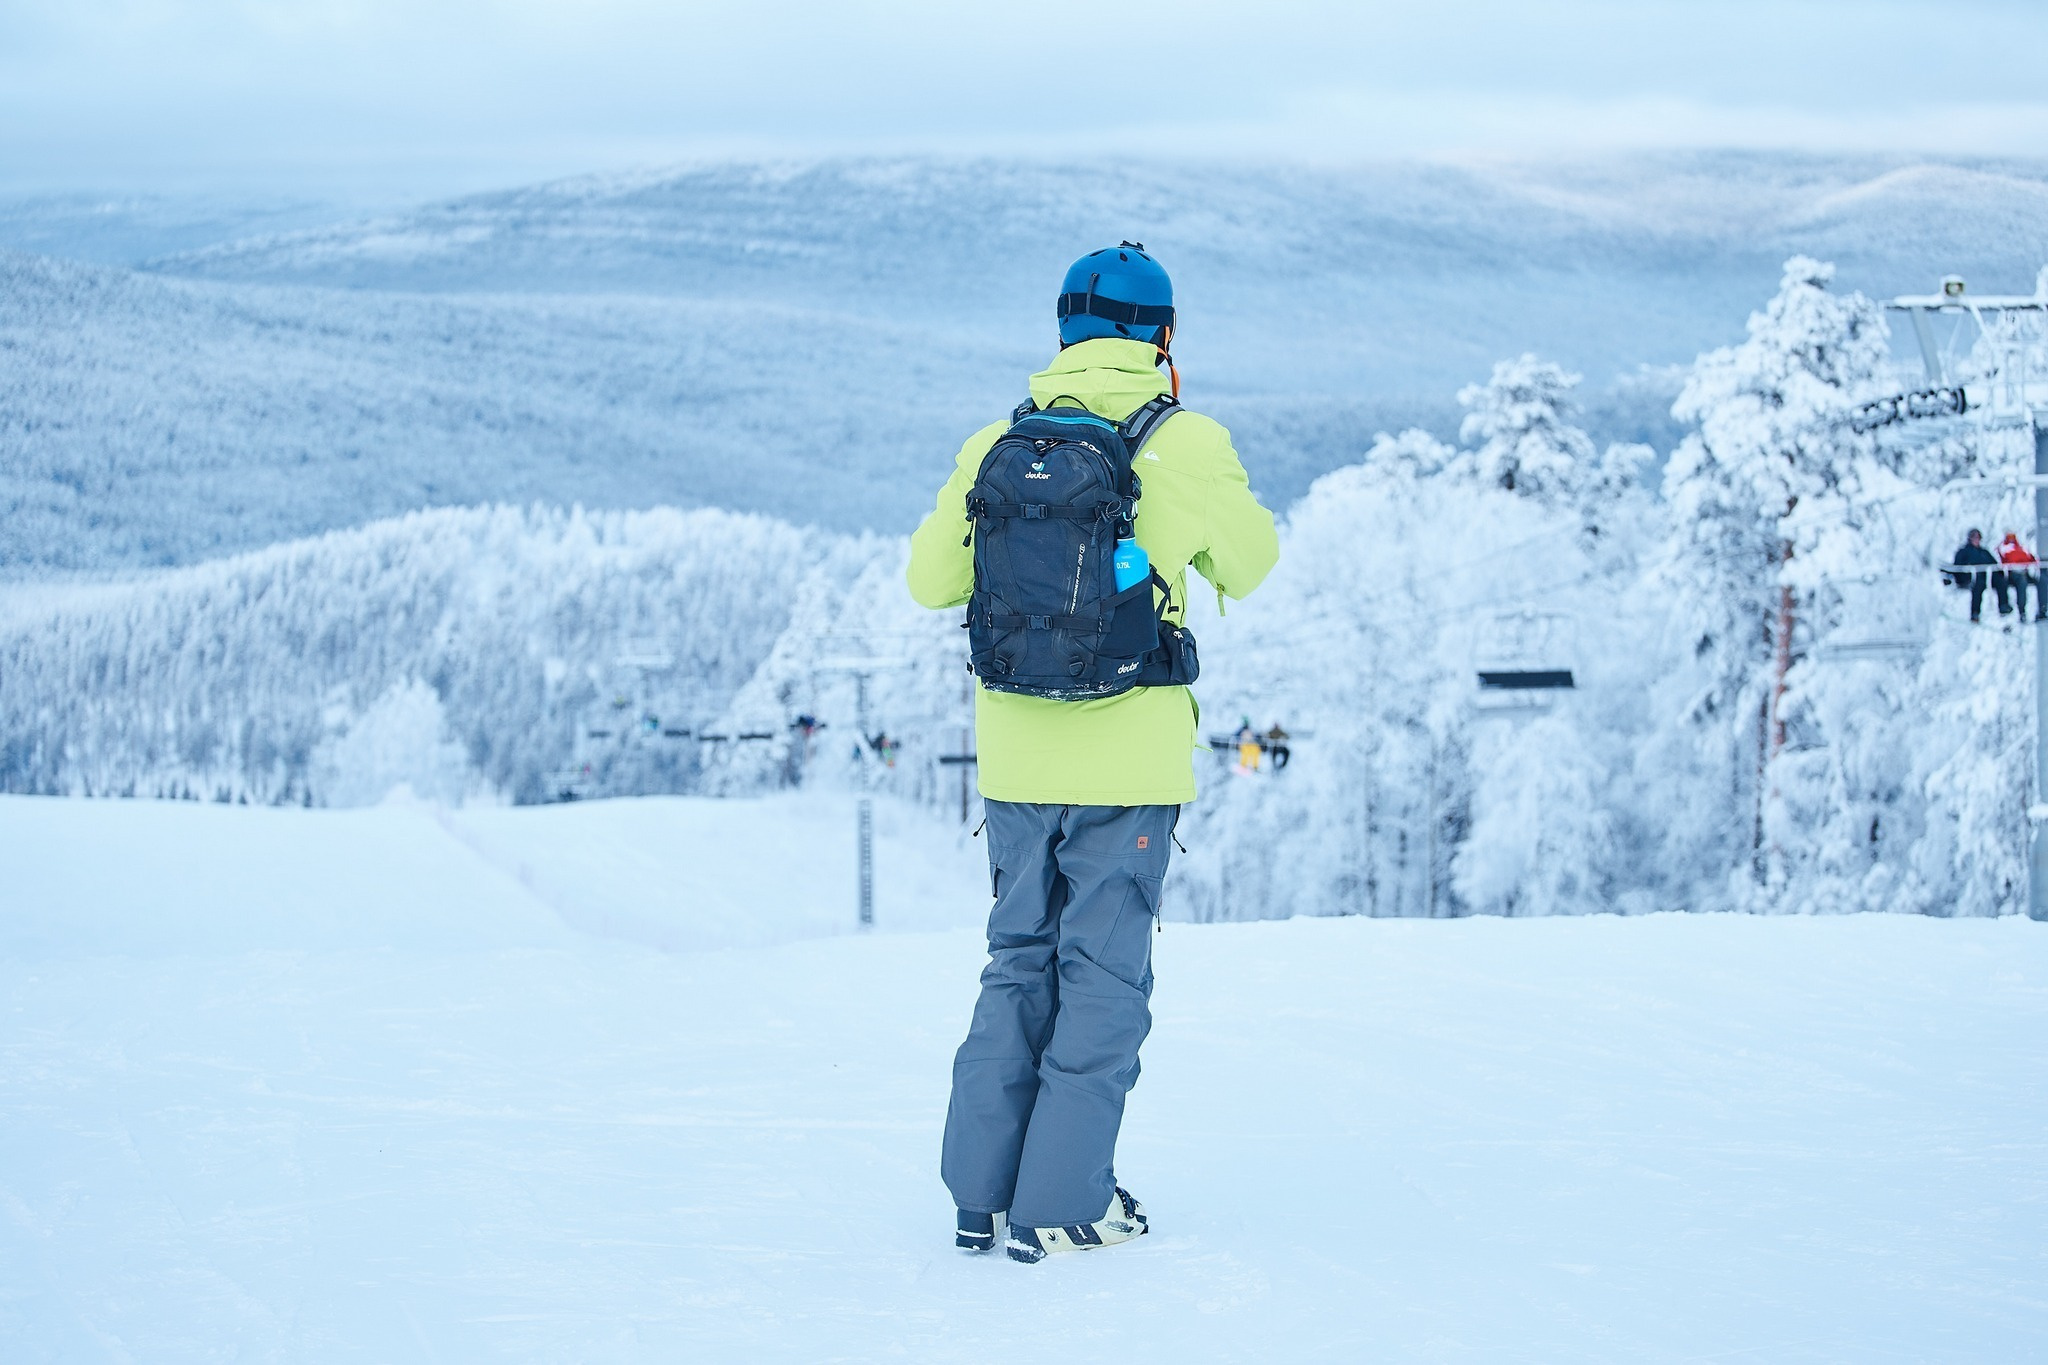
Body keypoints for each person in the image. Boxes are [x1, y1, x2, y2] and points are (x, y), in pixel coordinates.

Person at [907, 242, 1278, 1264]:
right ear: (1160, 335)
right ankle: (1066, 1205)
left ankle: (978, 1199)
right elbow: (1249, 564)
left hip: (1017, 761)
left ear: (1063, 332)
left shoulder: (997, 441)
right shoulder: (1185, 440)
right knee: (1102, 981)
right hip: (1129, 766)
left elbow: (929, 583)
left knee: (1015, 965)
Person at [1997, 532, 2044, 622]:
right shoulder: (2004, 548)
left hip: (2025, 572)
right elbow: (2005, 560)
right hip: (2013, 573)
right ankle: (2022, 611)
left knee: (2041, 581)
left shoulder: (2021, 547)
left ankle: (2043, 609)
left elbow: (2031, 558)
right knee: (2022, 583)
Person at [1952, 529, 1997, 622]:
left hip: (1986, 577)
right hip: (1970, 578)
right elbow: (1957, 566)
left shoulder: (1984, 552)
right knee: (1977, 587)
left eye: (1978, 538)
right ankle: (1975, 613)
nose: (1976, 540)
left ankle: (2004, 606)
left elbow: (1994, 564)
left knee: (2000, 581)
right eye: (1974, 537)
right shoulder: (1963, 551)